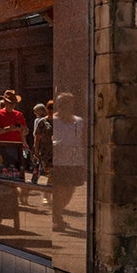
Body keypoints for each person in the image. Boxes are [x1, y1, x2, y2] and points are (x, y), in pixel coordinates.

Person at [50, 92, 86, 231]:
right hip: (58, 161)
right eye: (62, 104)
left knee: (70, 191)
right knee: (59, 190)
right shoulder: (52, 121)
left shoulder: (79, 121)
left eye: (69, 104)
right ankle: (57, 216)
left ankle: (57, 212)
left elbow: (82, 141)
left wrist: (83, 161)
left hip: (74, 161)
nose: (66, 107)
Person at [30, 103, 53, 185]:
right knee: (41, 165)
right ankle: (35, 179)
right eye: (49, 109)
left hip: (53, 149)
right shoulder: (41, 121)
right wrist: (36, 149)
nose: (51, 111)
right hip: (44, 148)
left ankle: (50, 186)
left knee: (51, 170)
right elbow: (36, 135)